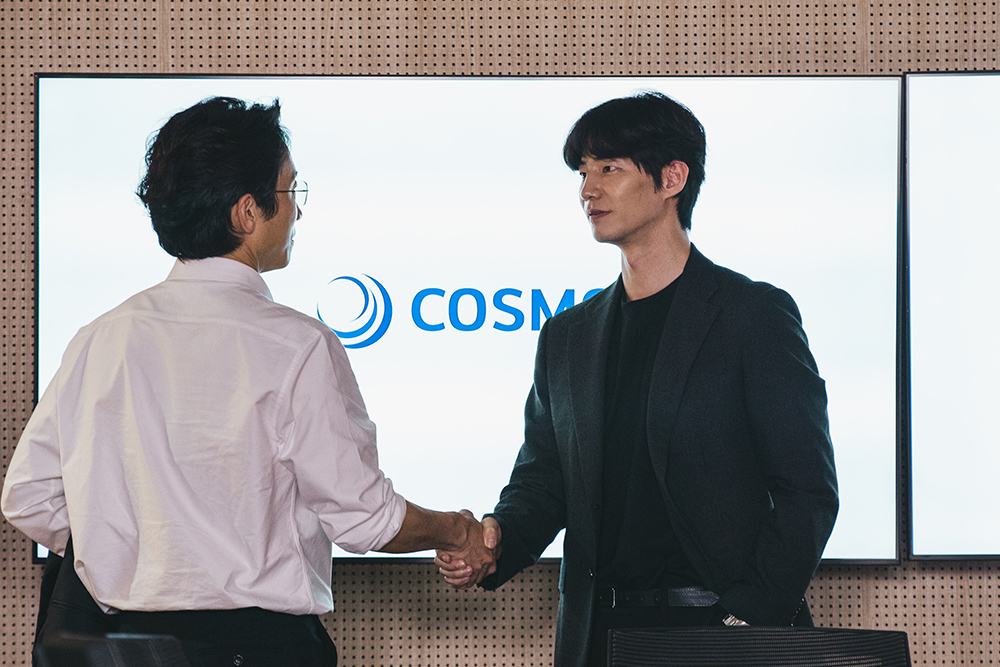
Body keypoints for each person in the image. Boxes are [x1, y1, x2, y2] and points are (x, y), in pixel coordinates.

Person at [1, 96, 494, 667]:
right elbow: (363, 518)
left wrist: (135, 552)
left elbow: (28, 497)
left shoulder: (99, 338)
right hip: (254, 649)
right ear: (246, 213)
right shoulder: (297, 345)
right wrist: (456, 531)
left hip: (115, 649)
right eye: (291, 190)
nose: (298, 211)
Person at [436, 92, 839, 667]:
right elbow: (545, 482)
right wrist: (495, 541)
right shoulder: (567, 335)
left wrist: (745, 621)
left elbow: (808, 491)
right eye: (582, 172)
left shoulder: (752, 315)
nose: (587, 190)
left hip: (721, 633)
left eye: (609, 169)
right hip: (598, 638)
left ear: (672, 178)